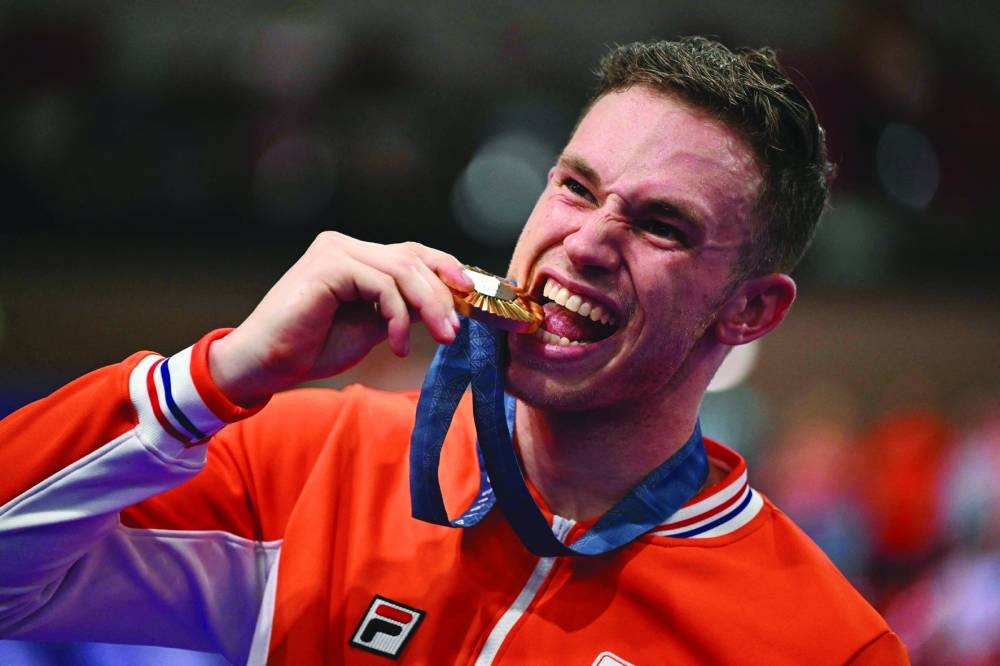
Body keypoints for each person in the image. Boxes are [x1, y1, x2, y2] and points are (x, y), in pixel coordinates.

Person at [0, 37, 908, 664]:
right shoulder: (318, 464)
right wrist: (219, 375)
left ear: (749, 311)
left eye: (660, 225)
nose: (587, 241)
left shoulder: (823, 646)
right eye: (575, 187)